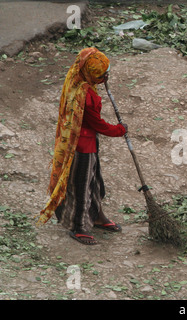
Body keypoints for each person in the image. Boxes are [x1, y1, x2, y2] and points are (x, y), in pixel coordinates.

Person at [38, 47, 127, 245]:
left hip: (87, 143)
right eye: (103, 74)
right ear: (92, 74)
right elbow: (98, 124)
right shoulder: (85, 96)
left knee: (95, 184)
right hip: (82, 149)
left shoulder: (77, 77)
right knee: (81, 188)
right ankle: (78, 227)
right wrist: (119, 130)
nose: (106, 76)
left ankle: (97, 216)